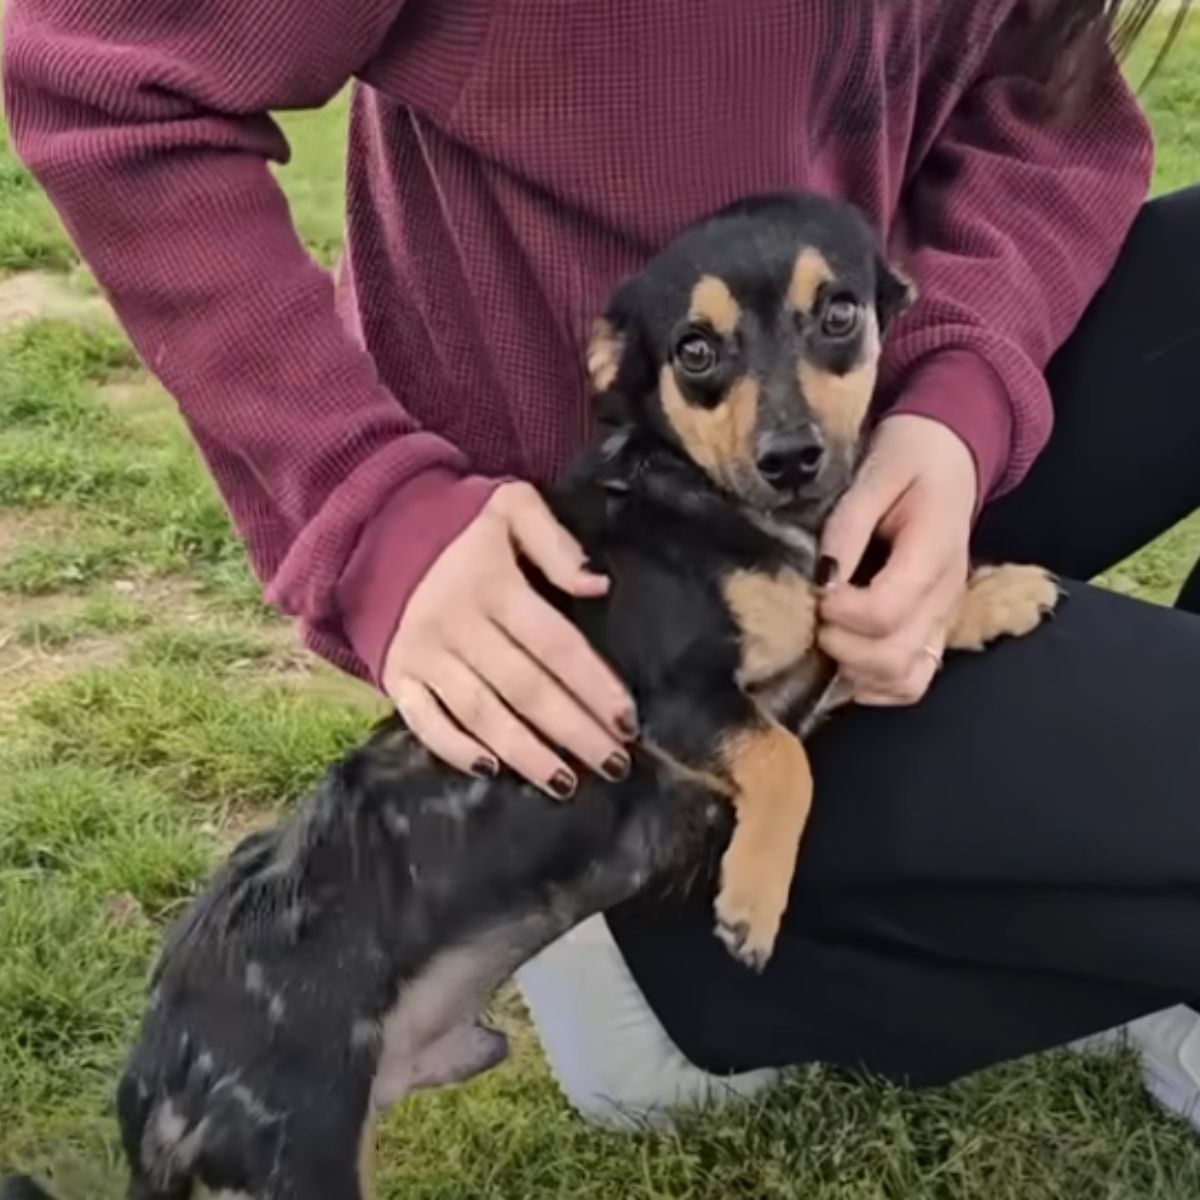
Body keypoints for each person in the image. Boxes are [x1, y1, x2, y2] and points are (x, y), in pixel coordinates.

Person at [5, 0, 1199, 1132]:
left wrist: (954, 408)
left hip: (844, 471)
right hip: (646, 650)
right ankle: (666, 959)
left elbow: (1039, 113)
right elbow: (113, 76)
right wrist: (372, 508)